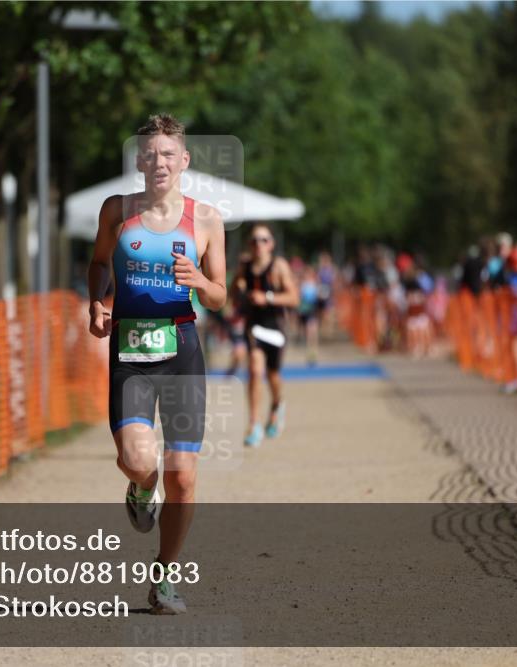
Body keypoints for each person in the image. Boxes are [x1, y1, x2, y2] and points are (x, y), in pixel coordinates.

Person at [87, 113, 226, 615]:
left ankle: (164, 578)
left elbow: (220, 295)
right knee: (140, 461)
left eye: (169, 154)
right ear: (139, 162)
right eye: (150, 154)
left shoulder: (206, 219)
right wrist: (97, 303)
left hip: (182, 349)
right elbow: (99, 263)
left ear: (183, 160)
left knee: (183, 477)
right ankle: (141, 488)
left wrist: (199, 282)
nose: (160, 162)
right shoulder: (116, 211)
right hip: (131, 350)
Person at [231, 223, 299, 447]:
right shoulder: (245, 267)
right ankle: (254, 424)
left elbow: (294, 298)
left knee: (273, 375)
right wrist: (239, 283)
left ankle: (278, 404)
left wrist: (267, 298)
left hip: (276, 328)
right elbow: (233, 294)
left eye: (263, 240)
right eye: (254, 240)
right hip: (254, 326)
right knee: (254, 370)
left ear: (271, 244)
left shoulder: (278, 266)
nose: (258, 244)